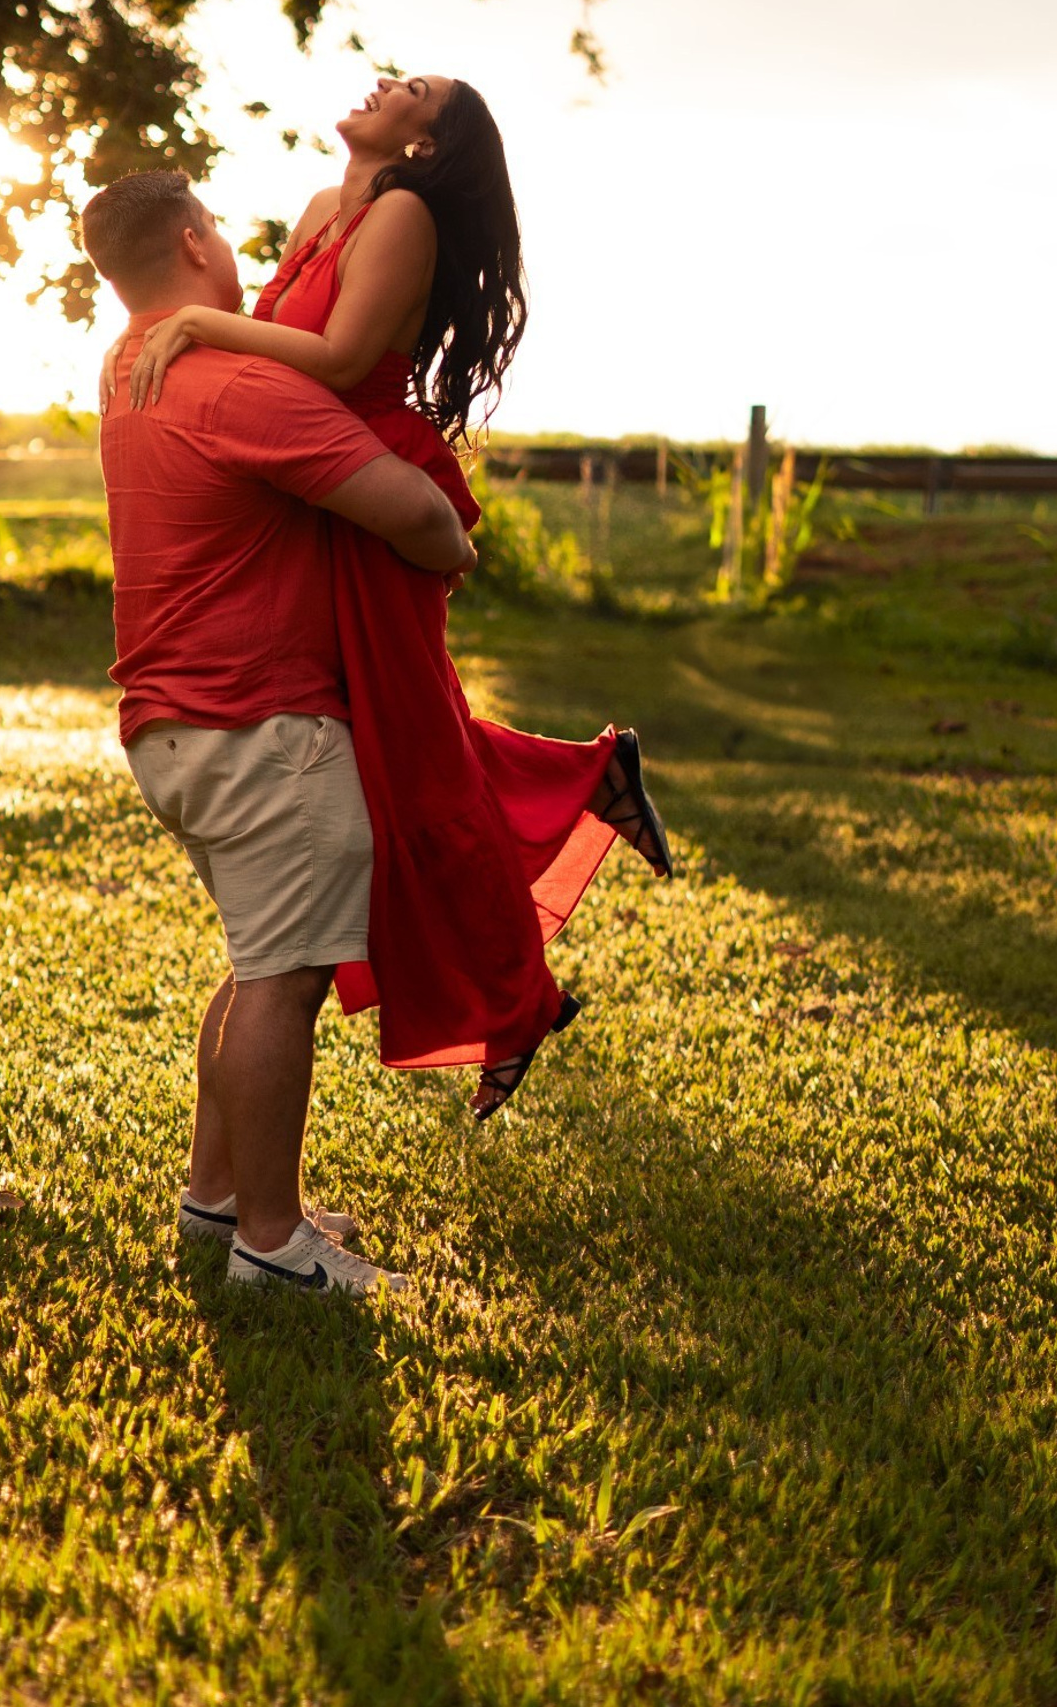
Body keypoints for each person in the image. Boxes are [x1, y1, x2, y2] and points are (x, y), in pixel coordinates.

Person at [113, 75, 672, 1116]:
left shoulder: (403, 215)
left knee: (408, 746)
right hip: (320, 481)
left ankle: (518, 990)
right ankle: (582, 793)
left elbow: (336, 359)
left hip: (370, 471)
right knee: (402, 738)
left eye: (410, 90)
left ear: (425, 144)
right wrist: (207, 329)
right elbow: (282, 334)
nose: (381, 83)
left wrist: (200, 327)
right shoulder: (327, 208)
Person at [81, 168, 479, 1297]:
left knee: (258, 965)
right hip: (261, 724)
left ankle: (218, 1200)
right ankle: (274, 1244)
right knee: (287, 981)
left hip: (177, 725)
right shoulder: (229, 378)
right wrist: (452, 547)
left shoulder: (129, 367)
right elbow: (411, 511)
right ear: (199, 240)